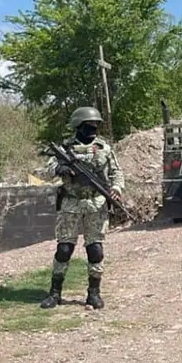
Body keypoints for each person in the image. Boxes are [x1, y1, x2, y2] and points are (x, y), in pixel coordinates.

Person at [39, 106, 124, 310]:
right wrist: (59, 168)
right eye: (89, 125)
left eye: (96, 125)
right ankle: (55, 293)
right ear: (78, 126)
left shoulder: (104, 149)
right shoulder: (64, 148)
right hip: (71, 203)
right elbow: (45, 170)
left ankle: (93, 294)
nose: (93, 129)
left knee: (95, 249)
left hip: (96, 204)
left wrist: (116, 188)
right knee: (64, 248)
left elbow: (117, 173)